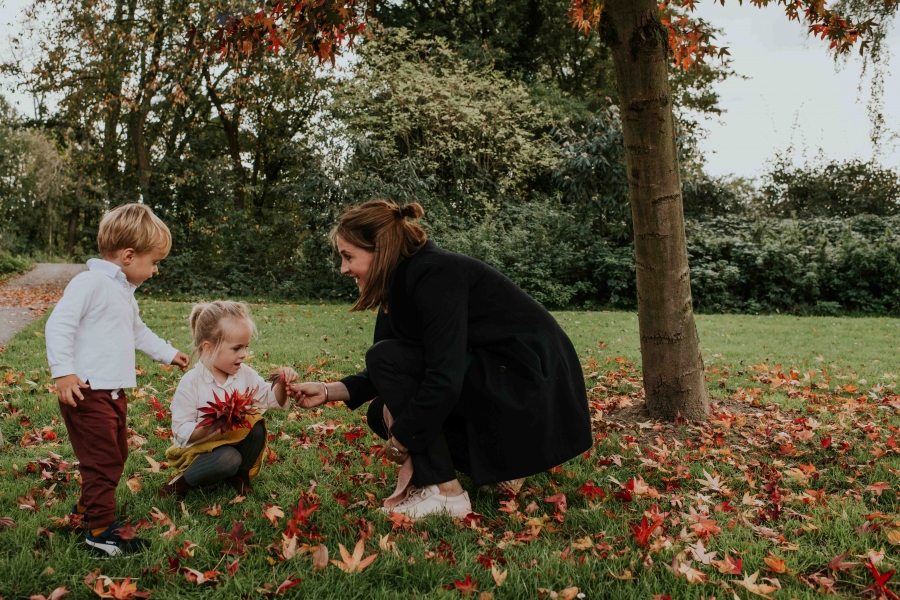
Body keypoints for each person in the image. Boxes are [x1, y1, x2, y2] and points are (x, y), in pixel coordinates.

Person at [290, 200, 591, 518]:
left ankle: (446, 493)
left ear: (381, 248)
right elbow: (389, 368)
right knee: (381, 412)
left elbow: (442, 378)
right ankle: (499, 468)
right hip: (500, 381)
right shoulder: (399, 284)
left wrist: (403, 438)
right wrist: (326, 391)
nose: (343, 268)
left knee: (399, 397)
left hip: (530, 388)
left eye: (348, 256)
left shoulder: (435, 274)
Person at [45, 203, 191, 558]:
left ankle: (84, 512)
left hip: (112, 393)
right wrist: (63, 372)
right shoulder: (91, 283)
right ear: (128, 256)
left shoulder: (123, 292)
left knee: (114, 454)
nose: (155, 270)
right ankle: (100, 532)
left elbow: (137, 332)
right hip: (87, 392)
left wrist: (167, 352)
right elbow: (58, 324)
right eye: (154, 262)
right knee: (103, 460)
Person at [159, 301, 297, 500]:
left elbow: (271, 398)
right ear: (208, 348)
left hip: (233, 441)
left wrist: (283, 384)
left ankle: (240, 476)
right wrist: (212, 425)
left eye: (246, 347)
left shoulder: (244, 374)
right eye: (236, 348)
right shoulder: (192, 382)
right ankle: (182, 482)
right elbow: (181, 433)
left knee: (256, 425)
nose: (244, 354)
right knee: (228, 459)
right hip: (199, 451)